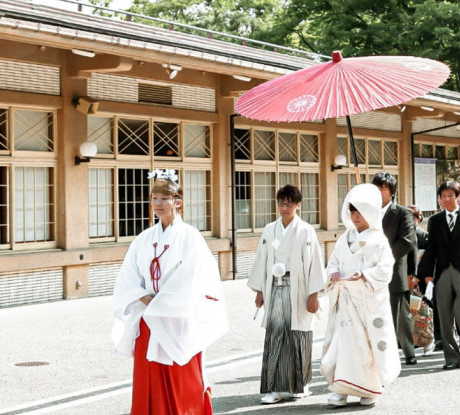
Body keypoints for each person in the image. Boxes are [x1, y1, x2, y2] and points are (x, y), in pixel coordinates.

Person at [113, 169, 228, 414]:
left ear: (178, 202)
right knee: (149, 381)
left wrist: (162, 303)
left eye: (164, 198)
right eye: (154, 198)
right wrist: (143, 297)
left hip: (178, 319)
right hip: (148, 318)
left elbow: (192, 277)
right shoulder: (143, 239)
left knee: (182, 379)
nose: (158, 203)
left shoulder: (190, 237)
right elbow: (128, 277)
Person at [321, 184, 400, 407]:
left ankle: (369, 389)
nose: (355, 217)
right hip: (345, 300)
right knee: (342, 345)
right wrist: (333, 272)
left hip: (366, 301)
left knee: (365, 346)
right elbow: (333, 261)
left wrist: (365, 274)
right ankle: (340, 389)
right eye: (352, 212)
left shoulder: (379, 239)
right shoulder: (344, 238)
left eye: (359, 212)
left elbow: (386, 269)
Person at [247, 185, 326, 405]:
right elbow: (262, 259)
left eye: (289, 203)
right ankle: (275, 388)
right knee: (275, 335)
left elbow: (315, 263)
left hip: (298, 288)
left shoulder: (306, 230)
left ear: (298, 205)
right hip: (275, 287)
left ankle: (301, 384)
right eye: (281, 203)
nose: (284, 207)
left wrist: (314, 295)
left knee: (299, 334)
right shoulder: (269, 229)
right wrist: (260, 291)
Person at [418, 180, 460, 370]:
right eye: (443, 196)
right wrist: (427, 274)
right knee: (444, 317)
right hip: (443, 272)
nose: (446, 199)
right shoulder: (435, 221)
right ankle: (452, 358)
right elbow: (431, 250)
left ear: (457, 197)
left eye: (450, 196)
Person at [372, 172, 417, 366]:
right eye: (377, 187)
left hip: (393, 270)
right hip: (371, 271)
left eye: (384, 188)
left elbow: (407, 242)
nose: (380, 192)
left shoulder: (402, 213)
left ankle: (408, 351)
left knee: (399, 314)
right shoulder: (367, 212)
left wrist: (384, 258)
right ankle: (382, 353)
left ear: (392, 192)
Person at [409, 205, 435, 357]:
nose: (410, 220)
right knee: (411, 312)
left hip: (419, 279)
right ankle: (414, 341)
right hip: (408, 278)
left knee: (423, 311)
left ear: (419, 219)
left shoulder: (423, 236)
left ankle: (427, 341)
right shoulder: (400, 235)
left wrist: (416, 276)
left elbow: (427, 259)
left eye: (414, 216)